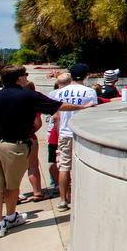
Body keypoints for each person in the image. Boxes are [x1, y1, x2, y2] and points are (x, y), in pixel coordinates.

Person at [0, 66, 88, 238]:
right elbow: (59, 106)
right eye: (25, 75)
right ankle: (10, 217)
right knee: (11, 186)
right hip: (14, 146)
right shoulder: (28, 95)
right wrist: (85, 107)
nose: (26, 77)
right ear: (19, 79)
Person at [48, 67, 98, 211]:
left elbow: (56, 116)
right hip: (82, 133)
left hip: (64, 132)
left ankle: (63, 200)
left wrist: (59, 135)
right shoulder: (89, 92)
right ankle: (82, 196)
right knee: (83, 165)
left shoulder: (59, 92)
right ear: (86, 76)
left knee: (64, 167)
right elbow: (92, 114)